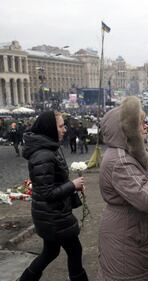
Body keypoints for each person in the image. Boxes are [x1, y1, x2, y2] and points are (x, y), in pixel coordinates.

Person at [97, 96, 148, 281]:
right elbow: (147, 199)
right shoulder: (121, 161)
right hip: (127, 236)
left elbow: (142, 186)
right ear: (127, 129)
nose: (145, 127)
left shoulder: (126, 154)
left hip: (132, 230)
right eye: (140, 123)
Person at [19, 111, 88, 281]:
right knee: (74, 251)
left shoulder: (49, 148)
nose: (65, 129)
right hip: (54, 217)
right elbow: (47, 193)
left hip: (51, 215)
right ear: (50, 128)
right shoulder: (43, 154)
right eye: (61, 126)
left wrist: (71, 187)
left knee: (50, 252)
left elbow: (52, 184)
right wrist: (73, 185)